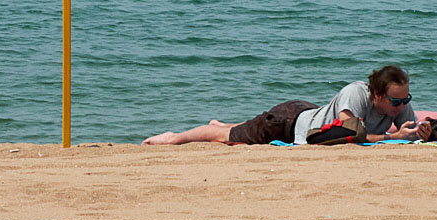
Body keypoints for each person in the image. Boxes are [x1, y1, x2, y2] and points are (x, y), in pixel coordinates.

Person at [142, 65, 420, 145]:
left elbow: (412, 129)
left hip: (309, 112)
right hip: (287, 124)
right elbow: (350, 133)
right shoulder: (355, 93)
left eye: (405, 100)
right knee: (224, 137)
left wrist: (422, 132)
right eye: (396, 101)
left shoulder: (399, 104)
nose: (402, 106)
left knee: (243, 127)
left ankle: (224, 123)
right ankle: (173, 138)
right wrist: (393, 136)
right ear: (378, 96)